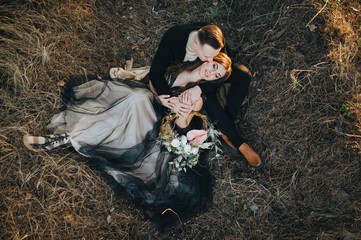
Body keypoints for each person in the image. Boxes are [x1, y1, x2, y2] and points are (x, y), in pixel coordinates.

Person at [23, 52, 232, 228]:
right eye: (214, 66)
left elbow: (184, 123)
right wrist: (158, 96)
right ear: (208, 59)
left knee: (135, 106)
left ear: (214, 81)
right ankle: (67, 138)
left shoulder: (197, 95)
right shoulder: (181, 63)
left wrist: (182, 112)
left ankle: (66, 138)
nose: (211, 72)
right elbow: (153, 78)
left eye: (216, 75)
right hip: (147, 98)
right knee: (135, 99)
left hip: (156, 122)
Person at [148, 22, 264, 169]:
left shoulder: (212, 39)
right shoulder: (174, 41)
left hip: (213, 74)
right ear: (195, 46)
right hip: (194, 78)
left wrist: (200, 87)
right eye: (208, 56)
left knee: (243, 74)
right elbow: (155, 74)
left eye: (214, 56)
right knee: (209, 101)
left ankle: (226, 127)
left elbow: (220, 65)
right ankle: (237, 141)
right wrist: (170, 100)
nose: (211, 59)